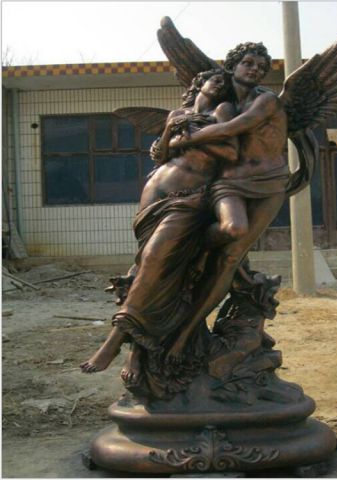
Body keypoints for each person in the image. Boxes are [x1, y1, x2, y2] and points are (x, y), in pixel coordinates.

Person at [80, 69, 239, 393]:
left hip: (189, 197)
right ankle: (138, 355)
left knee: (154, 260)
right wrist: (169, 130)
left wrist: (189, 137)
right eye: (215, 80)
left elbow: (231, 153)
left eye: (225, 83)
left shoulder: (222, 113)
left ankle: (116, 337)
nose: (220, 85)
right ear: (199, 83)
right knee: (149, 273)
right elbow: (162, 154)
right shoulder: (178, 114)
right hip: (154, 197)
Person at [165, 42, 290, 362]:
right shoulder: (222, 100)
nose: (255, 70)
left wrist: (185, 138)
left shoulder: (266, 100)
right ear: (232, 66)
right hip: (229, 182)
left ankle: (185, 334)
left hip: (268, 183)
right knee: (233, 228)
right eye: (248, 63)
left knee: (230, 256)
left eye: (261, 67)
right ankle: (196, 246)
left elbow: (236, 128)